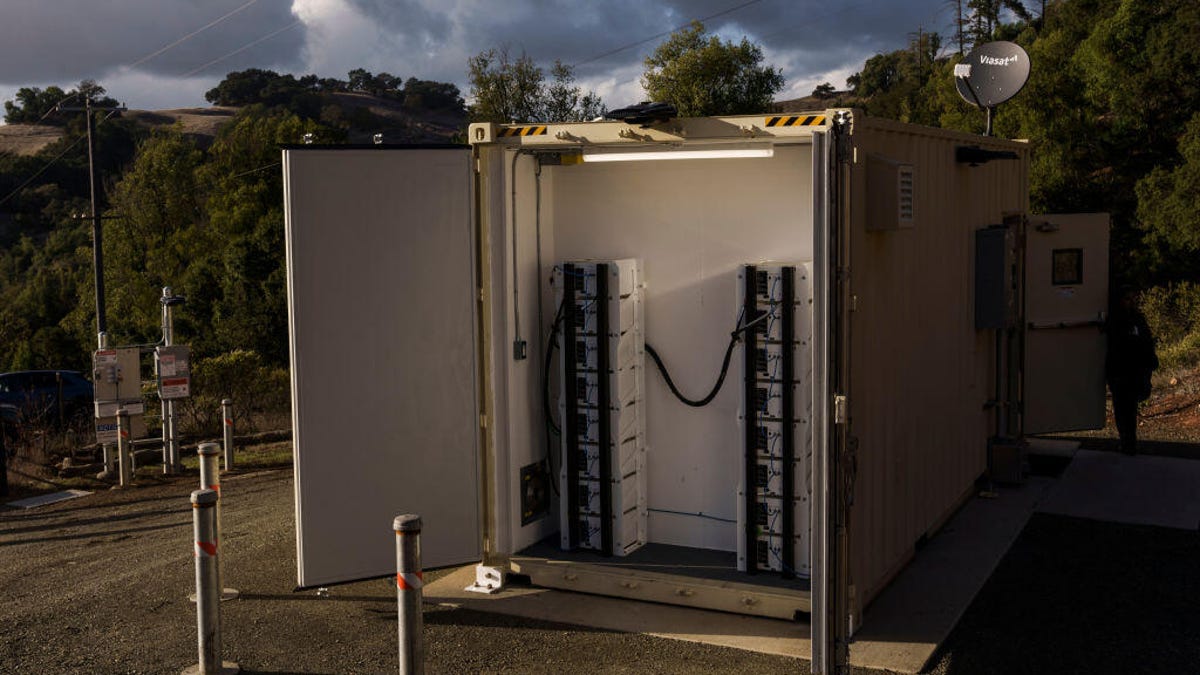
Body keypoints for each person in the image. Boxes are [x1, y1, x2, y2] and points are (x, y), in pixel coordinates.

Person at [1105, 287, 1158, 455]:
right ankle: (1126, 441)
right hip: (1120, 371)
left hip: (1134, 371)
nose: (1129, 302)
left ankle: (1130, 442)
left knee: (1130, 408)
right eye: (1126, 299)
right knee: (1121, 409)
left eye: (1131, 298)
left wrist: (1148, 362)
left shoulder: (1138, 319)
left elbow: (1147, 342)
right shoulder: (1115, 321)